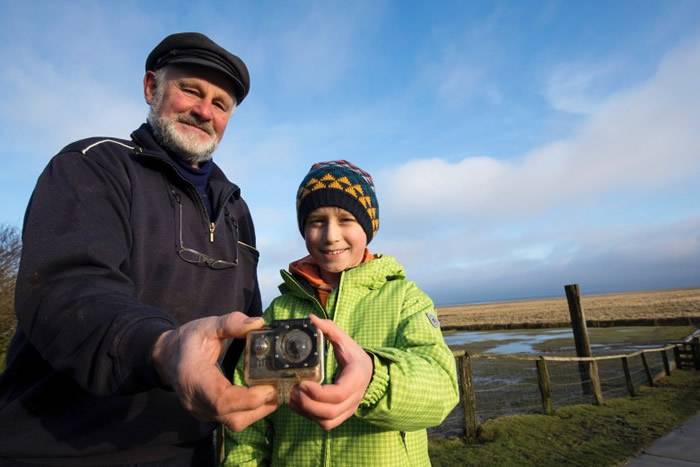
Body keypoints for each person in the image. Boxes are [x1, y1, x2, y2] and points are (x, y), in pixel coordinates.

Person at [0, 32, 278, 466]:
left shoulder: (236, 211)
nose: (205, 111)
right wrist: (163, 347)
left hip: (190, 452)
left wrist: (311, 374)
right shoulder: (93, 165)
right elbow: (67, 289)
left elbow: (246, 328)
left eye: (221, 104)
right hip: (58, 449)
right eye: (191, 90)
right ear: (152, 87)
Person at [223, 160, 459, 466]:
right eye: (317, 221)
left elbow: (441, 389)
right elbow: (247, 419)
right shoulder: (279, 312)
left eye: (346, 219)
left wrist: (372, 377)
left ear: (368, 227)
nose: (331, 235)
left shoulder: (406, 300)